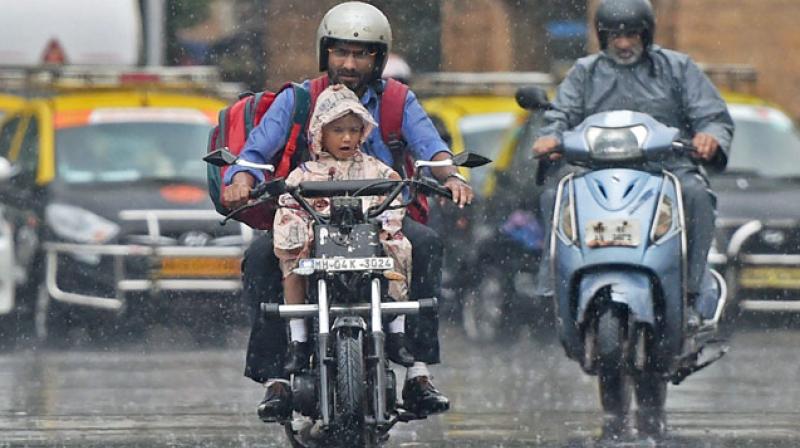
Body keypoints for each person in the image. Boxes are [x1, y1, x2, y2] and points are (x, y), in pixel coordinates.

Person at [222, 1, 471, 421]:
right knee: (262, 259)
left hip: (381, 216)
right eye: (340, 52)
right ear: (325, 53)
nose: (349, 63)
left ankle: (417, 370)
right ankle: (276, 380)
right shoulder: (298, 99)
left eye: (361, 53)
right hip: (308, 217)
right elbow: (254, 154)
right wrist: (242, 179)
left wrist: (452, 176)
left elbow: (433, 149)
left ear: (379, 57)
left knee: (426, 244)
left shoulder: (397, 100)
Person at [531, 0, 733, 325]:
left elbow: (712, 115)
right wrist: (551, 137)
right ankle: (558, 282)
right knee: (555, 195)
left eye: (632, 35)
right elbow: (560, 114)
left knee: (696, 195)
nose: (623, 43)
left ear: (647, 34)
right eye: (615, 36)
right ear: (602, 36)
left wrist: (709, 136)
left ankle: (692, 291)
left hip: (667, 167)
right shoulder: (585, 71)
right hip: (596, 169)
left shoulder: (677, 67)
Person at [273, 84, 415, 373]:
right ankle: (298, 339)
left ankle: (398, 329)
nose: (347, 137)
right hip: (319, 249)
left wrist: (384, 225)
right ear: (320, 132)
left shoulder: (378, 170)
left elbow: (394, 200)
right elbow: (289, 207)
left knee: (401, 247)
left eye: (353, 129)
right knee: (289, 258)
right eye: (338, 130)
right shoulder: (303, 174)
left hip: (369, 245)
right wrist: (302, 230)